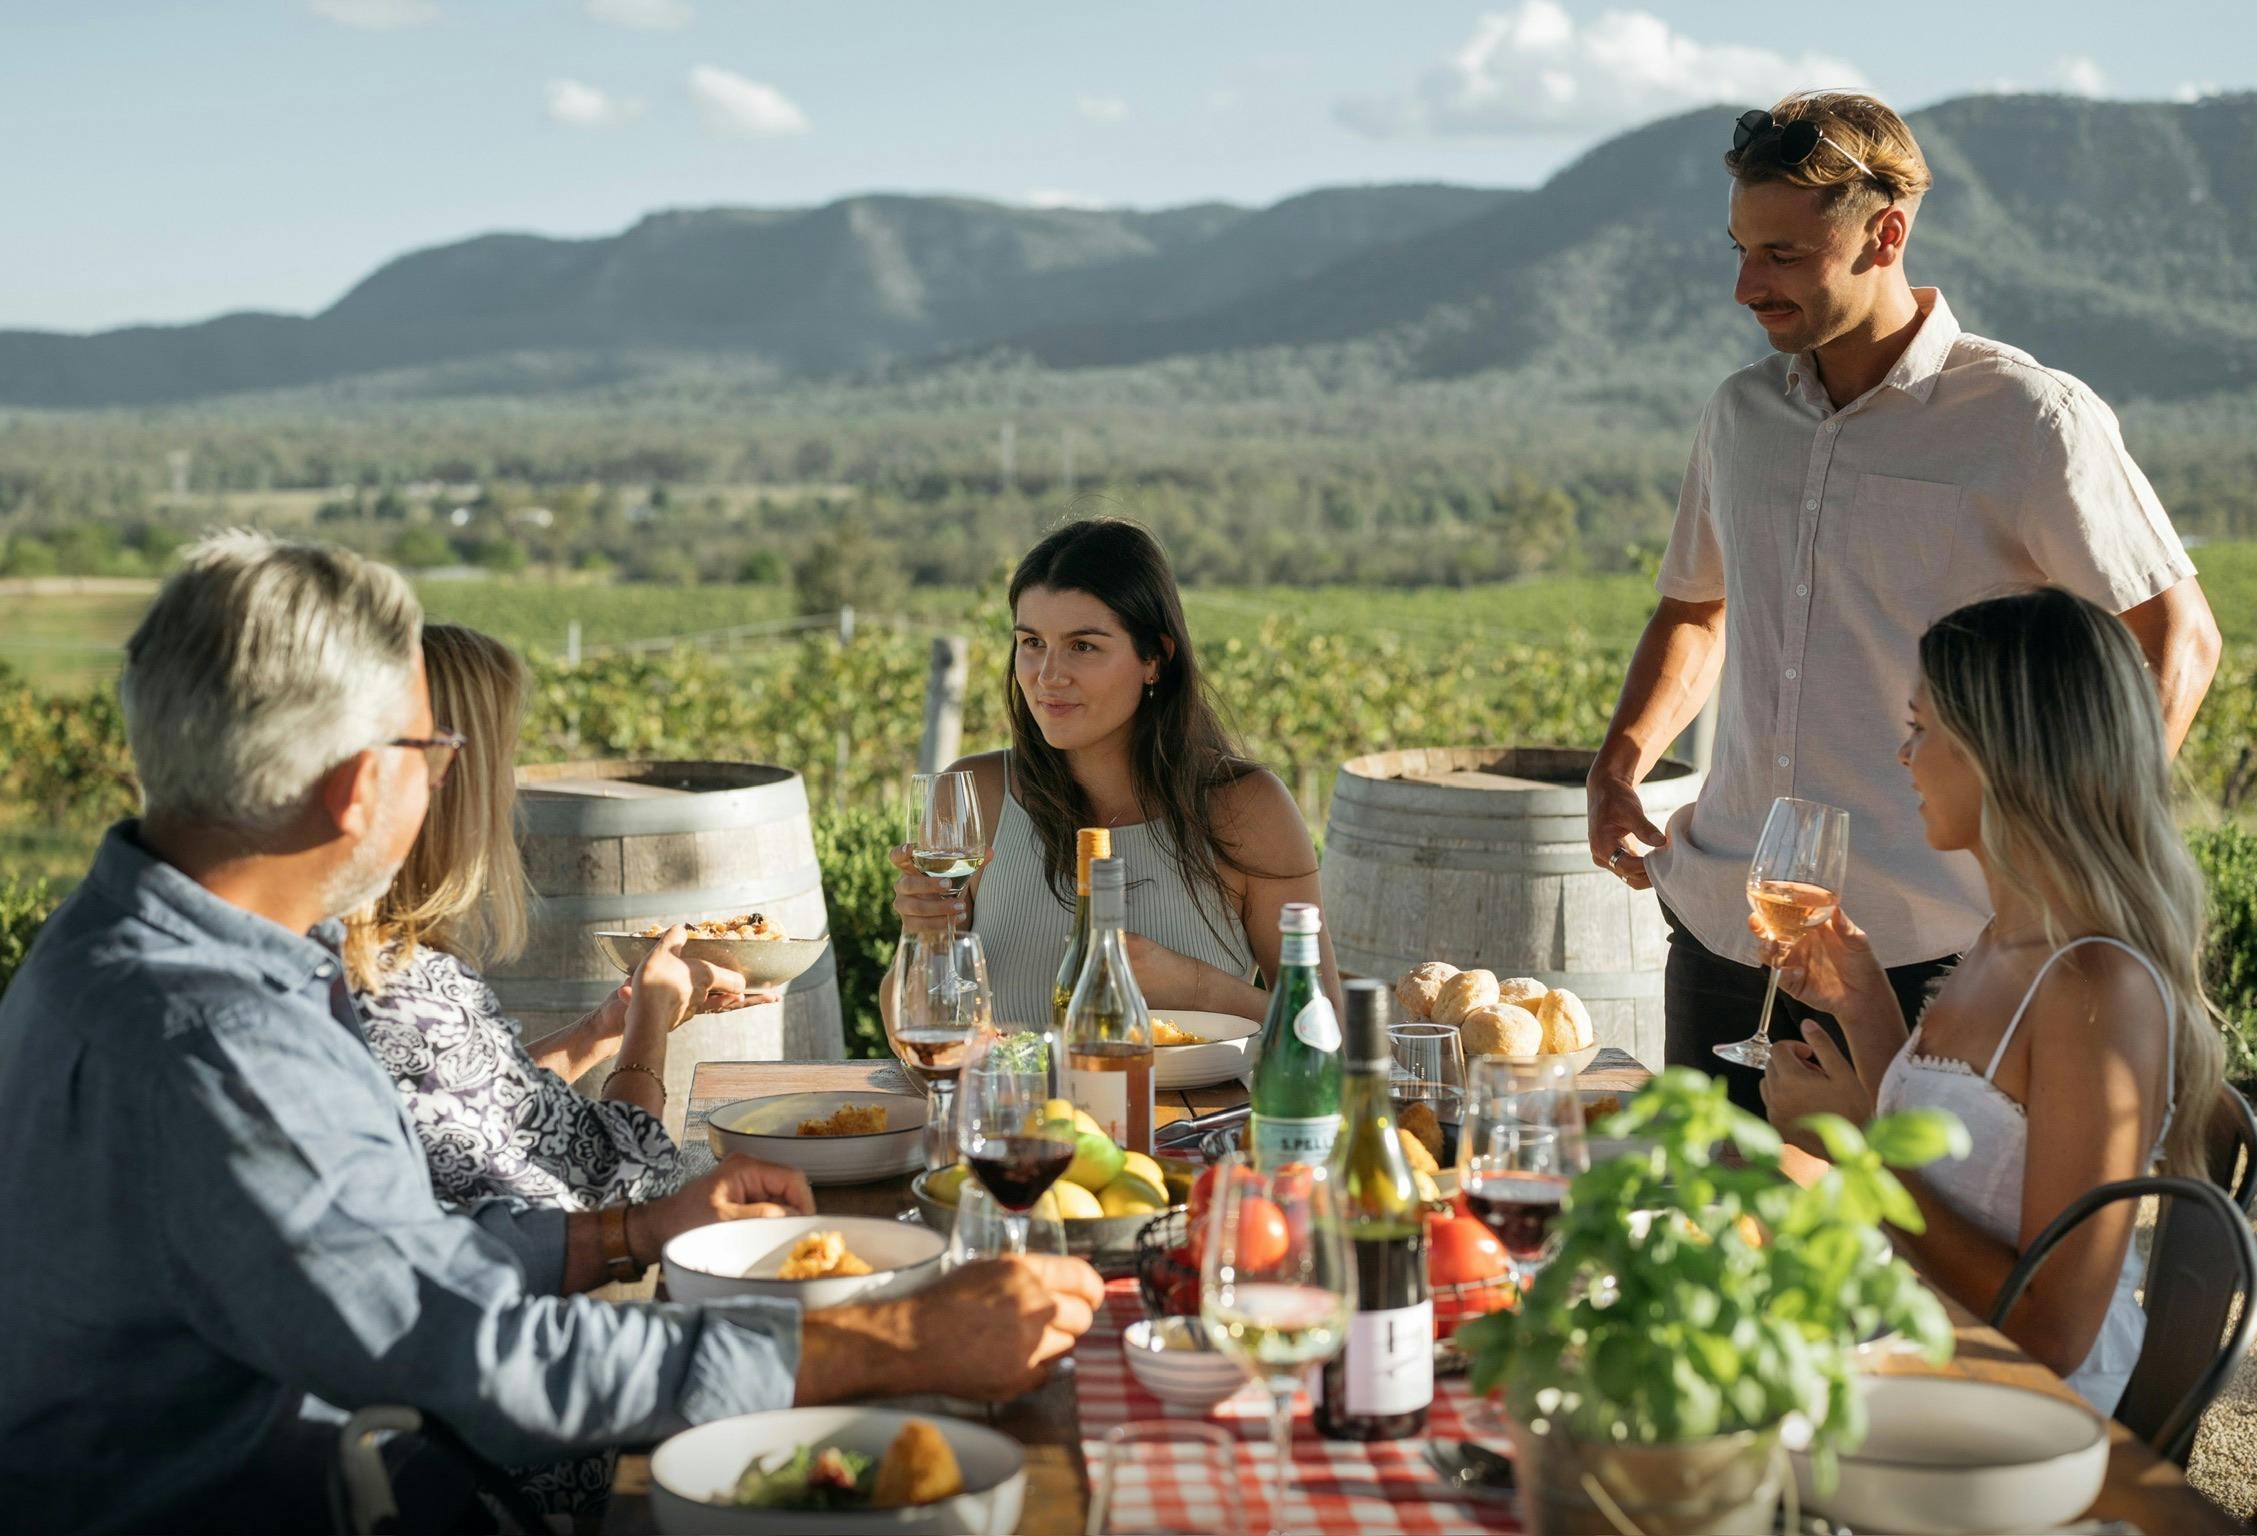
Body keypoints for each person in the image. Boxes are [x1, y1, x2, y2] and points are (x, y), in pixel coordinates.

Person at [0, 533, 1102, 1534]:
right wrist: (895, 1340)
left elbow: (383, 1265)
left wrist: (620, 1235)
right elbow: (474, 1354)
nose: (449, 778)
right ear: (359, 787)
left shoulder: (124, 950)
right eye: (432, 748)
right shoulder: (222, 1041)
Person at [1586, 89, 2221, 1112]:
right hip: (1720, 930)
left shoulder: (2029, 420)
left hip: (1932, 947)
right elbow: (1696, 611)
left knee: (1909, 1218)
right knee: (1705, 1209)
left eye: (1783, 255)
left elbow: (2177, 639)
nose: (1746, 286)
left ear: (1884, 235)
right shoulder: (1738, 416)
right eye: (1740, 250)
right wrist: (1617, 767)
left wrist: (2067, 865)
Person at [1758, 586, 2223, 1410]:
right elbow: (1956, 1160)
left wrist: (1857, 1151)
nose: (1904, 755)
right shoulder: (2004, 938)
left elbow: (2053, 1334)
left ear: (2002, 751)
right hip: (1925, 1350)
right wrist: (1864, 1003)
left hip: (2023, 1416)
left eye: (1921, 727)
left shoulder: (2097, 988)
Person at [344, 623, 778, 1217]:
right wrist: (649, 1024)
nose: (509, 789)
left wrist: (603, 1027)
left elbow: (484, 1107)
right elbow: (618, 1186)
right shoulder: (398, 989)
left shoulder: (370, 953)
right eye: (504, 758)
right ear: (454, 779)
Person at [892, 516, 1339, 1028]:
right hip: (1007, 1088)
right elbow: (913, 1027)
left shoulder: (1245, 807)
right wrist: (922, 936)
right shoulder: (977, 794)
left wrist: (1195, 987)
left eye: (1083, 646)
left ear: (1155, 659)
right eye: (1032, 642)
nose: (1048, 675)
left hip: (1189, 1090)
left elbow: (1331, 1036)